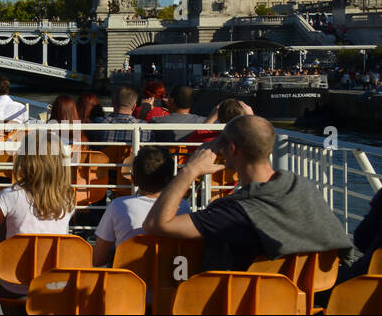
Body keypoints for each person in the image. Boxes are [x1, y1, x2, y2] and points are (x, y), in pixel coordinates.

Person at [143, 115, 352, 271]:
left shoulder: (234, 212)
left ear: (232, 149)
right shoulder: (303, 187)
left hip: (247, 303)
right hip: (303, 298)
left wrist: (190, 171)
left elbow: (156, 224)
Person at [0, 133, 77, 293]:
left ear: (24, 160)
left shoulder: (9, 196)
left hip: (13, 283)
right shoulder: (68, 199)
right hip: (53, 285)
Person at [91, 146, 189, 265]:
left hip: (128, 280)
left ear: (133, 180)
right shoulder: (183, 206)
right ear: (171, 179)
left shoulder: (118, 206)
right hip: (170, 280)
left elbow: (98, 259)